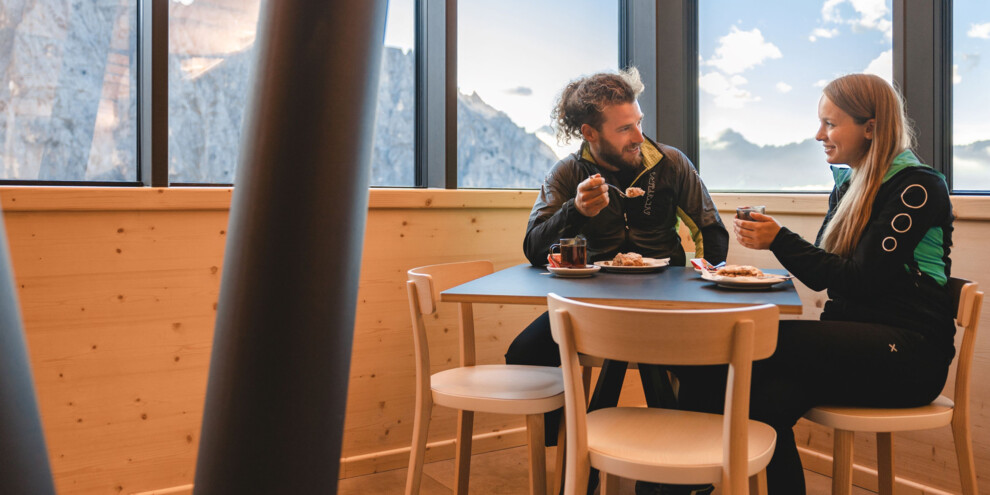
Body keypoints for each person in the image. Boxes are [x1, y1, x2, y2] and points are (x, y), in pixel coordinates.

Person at [676, 73, 956, 494]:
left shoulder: (917, 187)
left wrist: (779, 240)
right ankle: (684, 482)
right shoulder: (849, 186)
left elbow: (859, 280)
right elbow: (830, 273)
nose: (818, 134)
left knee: (741, 341)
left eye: (829, 123)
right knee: (764, 404)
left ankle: (672, 485)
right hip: (857, 343)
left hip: (911, 353)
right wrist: (776, 242)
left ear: (871, 128)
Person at [506, 68, 728, 495]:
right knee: (524, 351)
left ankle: (678, 475)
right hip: (590, 310)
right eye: (625, 128)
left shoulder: (670, 164)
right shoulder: (568, 175)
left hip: (665, 303)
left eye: (639, 122)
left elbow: (711, 230)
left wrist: (703, 284)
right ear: (590, 132)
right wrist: (575, 212)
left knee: (711, 369)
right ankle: (576, 446)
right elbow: (534, 247)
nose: (638, 136)